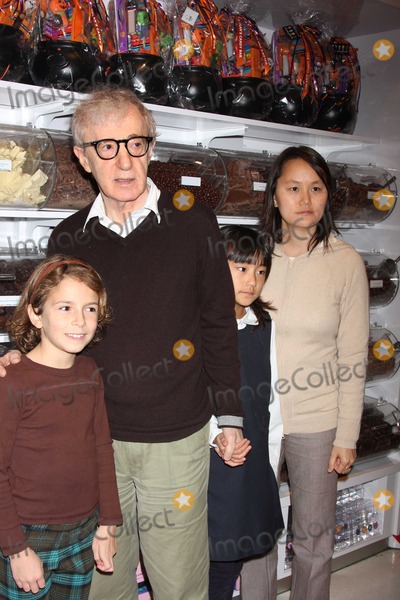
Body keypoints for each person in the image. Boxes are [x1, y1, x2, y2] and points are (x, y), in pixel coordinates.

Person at [0, 86, 243, 600]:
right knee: (105, 584)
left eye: (136, 143)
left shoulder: (194, 221)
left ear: (151, 148)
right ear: (83, 158)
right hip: (92, 438)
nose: (125, 160)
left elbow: (219, 324)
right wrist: (17, 355)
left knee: (179, 581)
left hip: (175, 437)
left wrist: (231, 417)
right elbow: (54, 323)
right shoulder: (67, 238)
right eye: (106, 147)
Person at [240, 145, 369, 600]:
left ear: (328, 195)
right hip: (257, 418)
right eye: (293, 188)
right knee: (256, 534)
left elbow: (353, 355)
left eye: (316, 188)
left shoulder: (345, 262)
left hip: (317, 420)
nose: (305, 199)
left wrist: (347, 435)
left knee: (315, 538)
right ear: (274, 195)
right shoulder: (254, 257)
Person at [0, 254, 122, 599]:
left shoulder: (89, 372)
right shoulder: (11, 381)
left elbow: (102, 449)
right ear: (36, 314)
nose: (80, 320)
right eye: (65, 307)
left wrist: (108, 523)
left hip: (84, 531)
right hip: (27, 535)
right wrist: (16, 549)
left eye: (90, 308)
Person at [207, 225, 284, 600]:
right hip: (212, 461)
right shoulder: (199, 326)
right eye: (240, 268)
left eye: (260, 270)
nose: (252, 281)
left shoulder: (264, 326)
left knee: (236, 555)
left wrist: (270, 462)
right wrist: (217, 436)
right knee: (215, 557)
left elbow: (273, 401)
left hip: (253, 458)